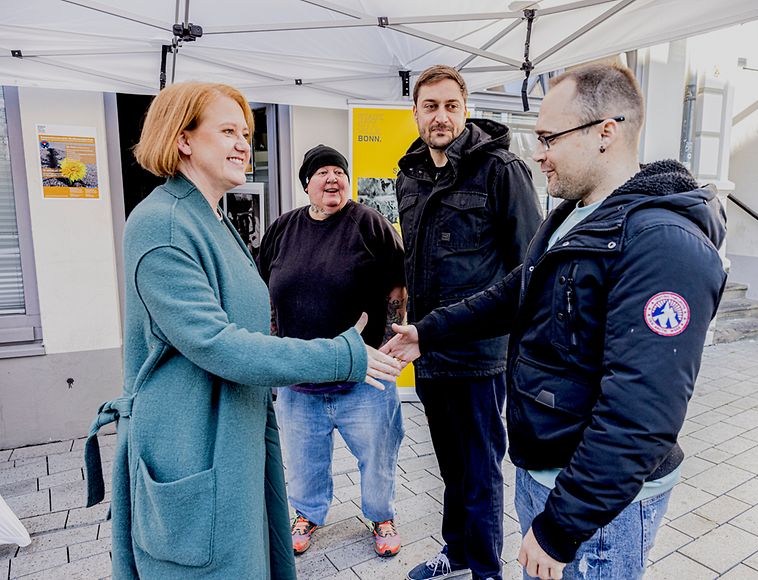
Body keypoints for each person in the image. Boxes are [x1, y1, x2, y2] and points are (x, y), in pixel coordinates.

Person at [384, 62, 727, 580]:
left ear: (605, 133)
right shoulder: (571, 215)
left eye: (549, 138)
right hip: (545, 474)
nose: (539, 153)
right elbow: (512, 291)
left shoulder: (662, 245)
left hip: (594, 509)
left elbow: (639, 415)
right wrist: (428, 332)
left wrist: (562, 527)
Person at [82, 82, 402, 579]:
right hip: (193, 444)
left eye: (246, 132)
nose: (242, 144)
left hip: (237, 432)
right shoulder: (161, 223)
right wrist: (341, 354)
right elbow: (218, 343)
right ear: (182, 138)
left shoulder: (213, 217)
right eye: (227, 130)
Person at [397, 65, 542, 580]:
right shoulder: (409, 174)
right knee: (452, 468)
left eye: (450, 106)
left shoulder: (501, 169)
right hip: (428, 348)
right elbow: (417, 257)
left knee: (480, 472)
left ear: (465, 108)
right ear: (415, 112)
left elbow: (530, 267)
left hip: (481, 354)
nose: (440, 116)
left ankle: (485, 571)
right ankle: (456, 555)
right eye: (430, 106)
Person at [257, 145, 406, 557]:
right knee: (304, 461)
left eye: (338, 172)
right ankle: (307, 513)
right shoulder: (283, 228)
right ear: (307, 183)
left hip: (363, 376)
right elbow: (265, 287)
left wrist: (392, 340)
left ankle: (381, 515)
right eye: (322, 172)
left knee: (378, 454)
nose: (332, 179)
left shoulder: (368, 223)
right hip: (298, 378)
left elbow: (397, 284)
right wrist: (272, 343)